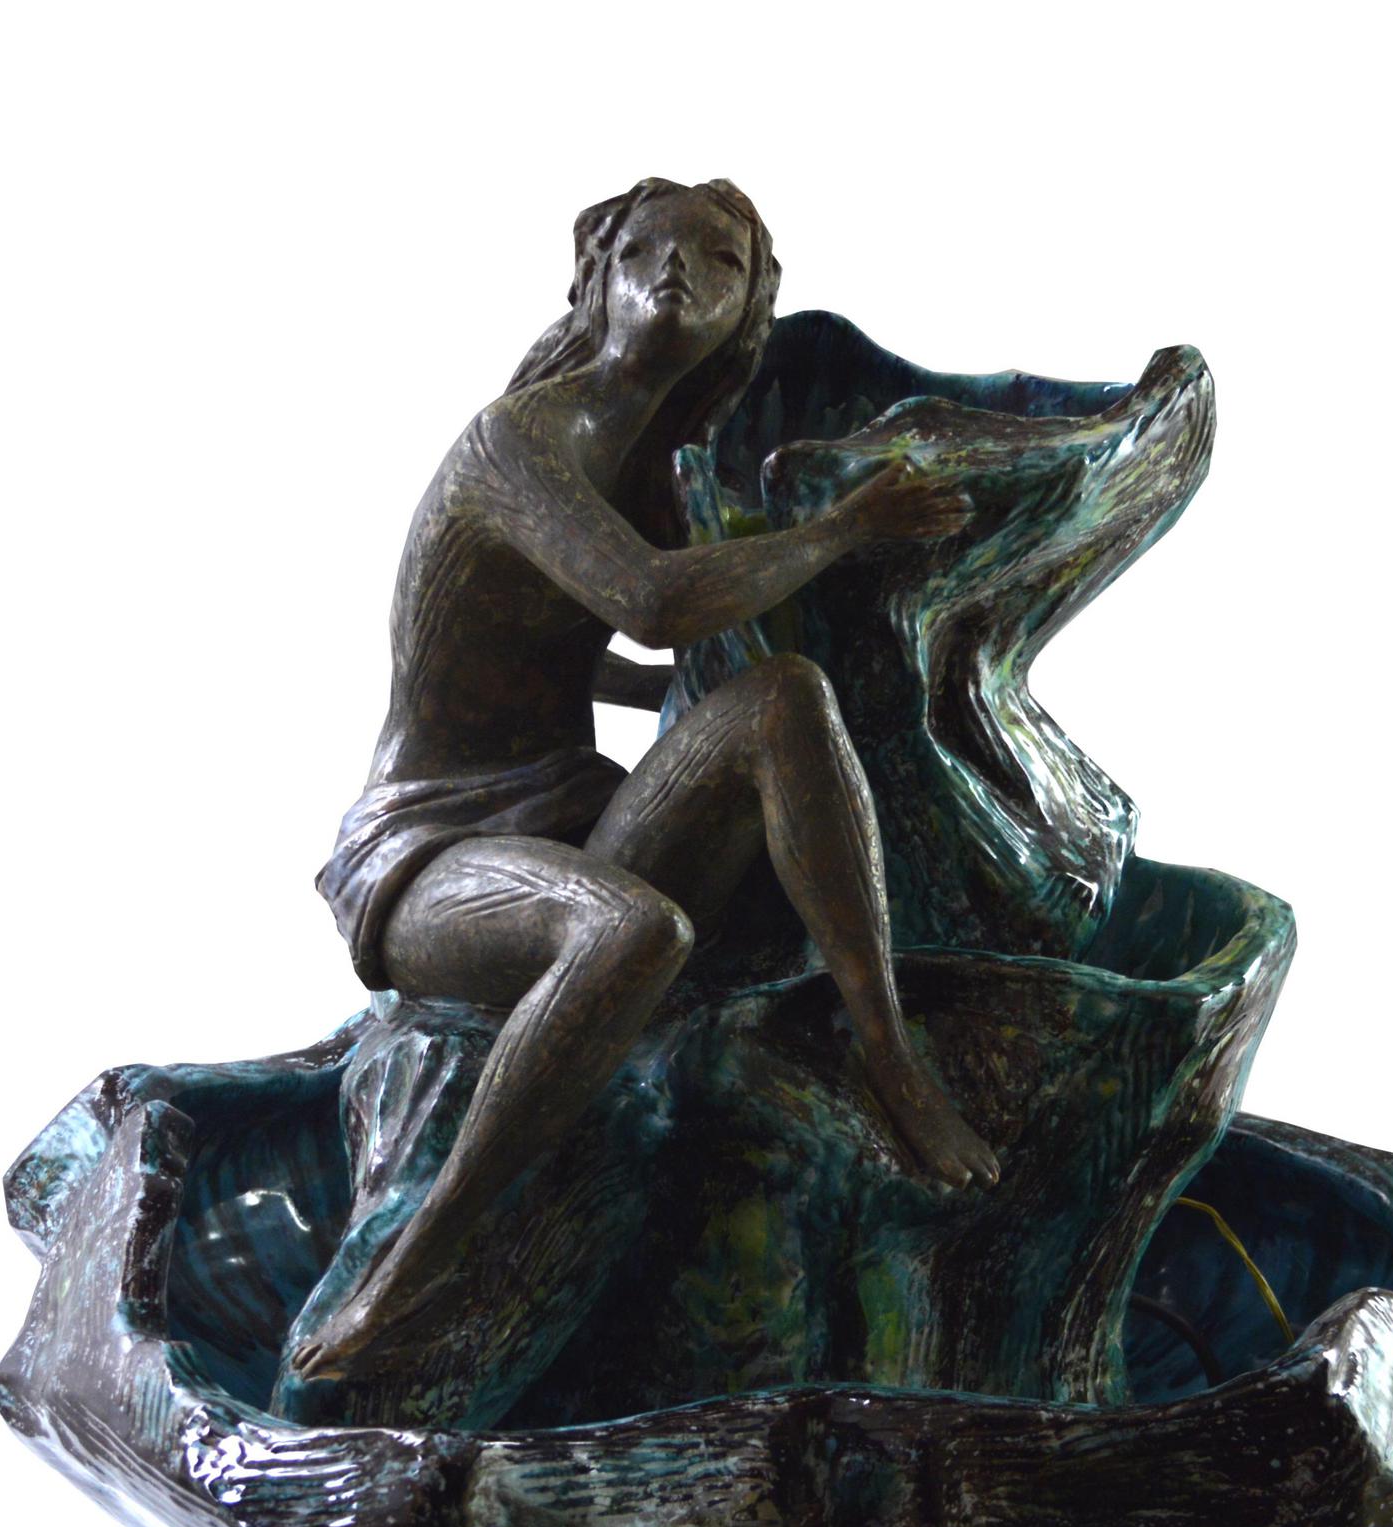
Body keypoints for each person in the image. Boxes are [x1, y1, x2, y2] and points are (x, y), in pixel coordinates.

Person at [291, 176, 998, 1386]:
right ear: (594, 279)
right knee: (631, 929)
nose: (677, 270)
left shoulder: (654, 466)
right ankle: (412, 1268)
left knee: (785, 698)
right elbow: (655, 603)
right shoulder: (518, 441)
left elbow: (586, 653)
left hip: (566, 827)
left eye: (719, 260)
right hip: (424, 859)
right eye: (646, 251)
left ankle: (888, 1049)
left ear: (747, 313)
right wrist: (842, 529)